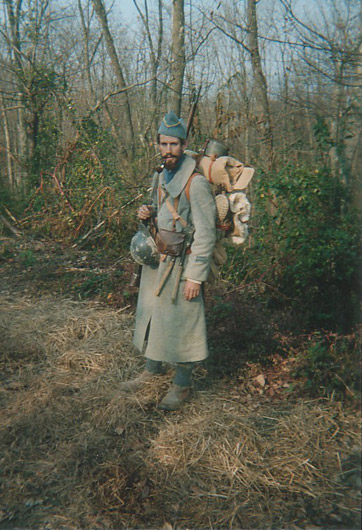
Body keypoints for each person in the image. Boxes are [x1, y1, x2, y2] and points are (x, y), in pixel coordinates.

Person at [122, 110, 216, 410]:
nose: (168, 150)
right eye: (163, 144)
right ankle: (152, 370)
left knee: (183, 323)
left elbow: (206, 232)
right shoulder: (161, 174)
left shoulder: (196, 182)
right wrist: (146, 213)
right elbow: (158, 206)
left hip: (182, 265)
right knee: (152, 315)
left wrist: (195, 276)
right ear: (158, 145)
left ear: (184, 144)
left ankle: (182, 384)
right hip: (158, 259)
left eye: (174, 144)